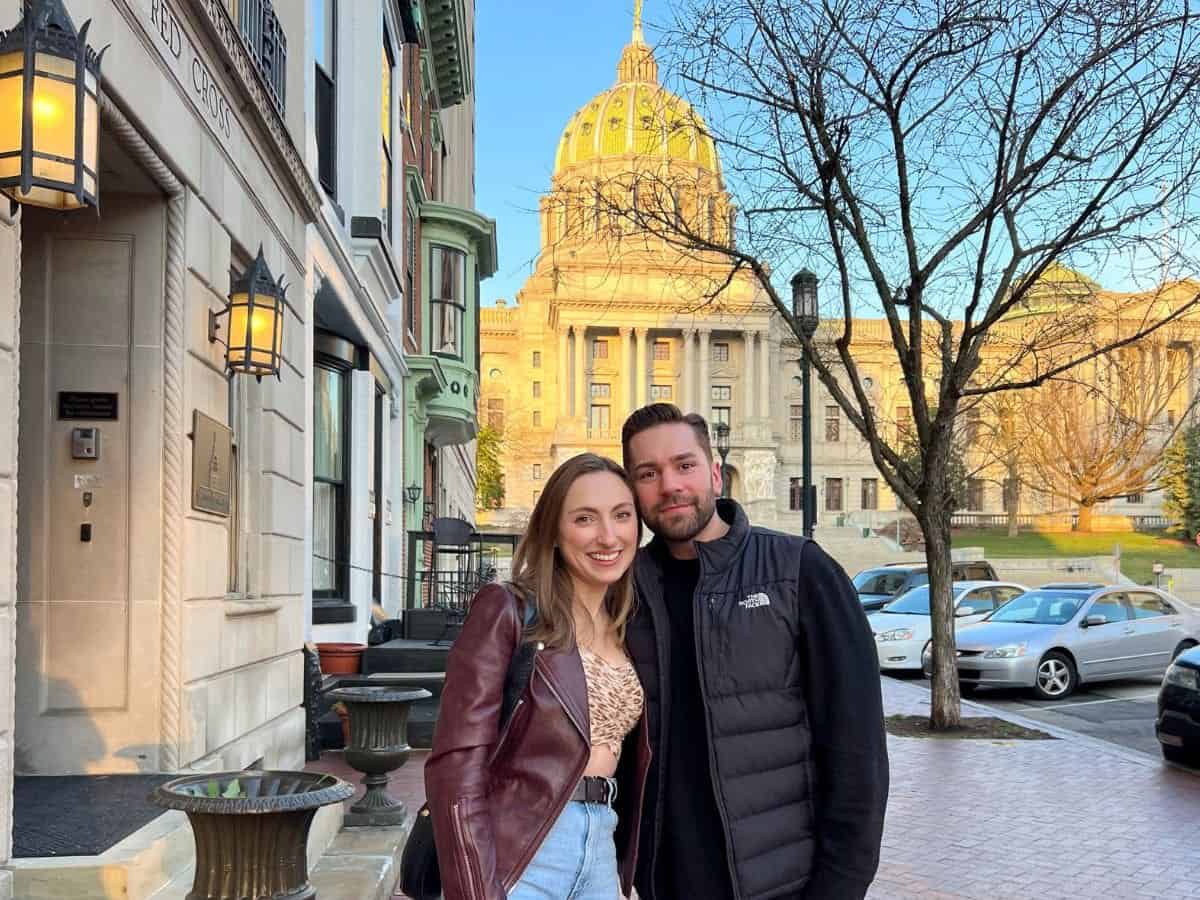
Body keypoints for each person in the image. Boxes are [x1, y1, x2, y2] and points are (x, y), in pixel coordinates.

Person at [614, 403, 889, 900]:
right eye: (648, 473)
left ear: (715, 473)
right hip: (664, 880)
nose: (670, 485)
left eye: (684, 465)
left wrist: (839, 886)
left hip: (781, 880)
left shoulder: (799, 571)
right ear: (632, 491)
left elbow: (857, 745)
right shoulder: (623, 590)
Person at [425, 453, 652, 900]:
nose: (608, 536)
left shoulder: (631, 625)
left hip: (602, 841)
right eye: (585, 518)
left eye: (622, 516)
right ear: (553, 530)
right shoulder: (509, 610)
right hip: (521, 851)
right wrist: (477, 888)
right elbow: (456, 763)